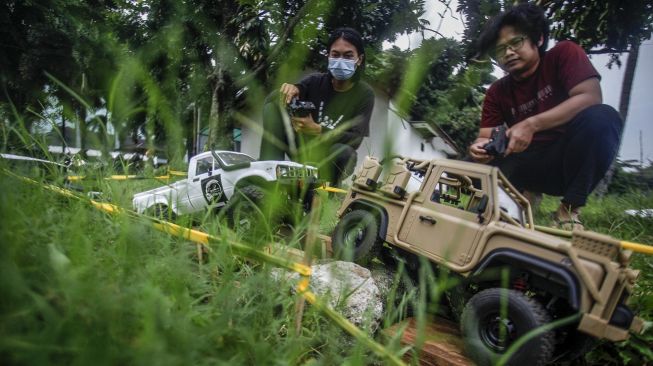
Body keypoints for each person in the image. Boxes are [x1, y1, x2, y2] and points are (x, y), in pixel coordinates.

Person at [468, 3, 622, 230]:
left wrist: (531, 124)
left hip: (566, 162)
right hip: (524, 163)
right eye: (500, 50)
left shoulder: (564, 54)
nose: (508, 53)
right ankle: (518, 200)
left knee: (604, 118)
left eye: (515, 42)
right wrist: (479, 148)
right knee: (465, 168)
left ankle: (568, 210)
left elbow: (590, 96)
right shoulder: (496, 91)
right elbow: (485, 137)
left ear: (538, 39)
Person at [259, 27, 375, 187]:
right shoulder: (315, 82)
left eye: (348, 56)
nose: (341, 60)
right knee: (272, 107)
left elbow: (355, 139)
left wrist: (318, 130)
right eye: (335, 54)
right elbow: (277, 98)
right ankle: (269, 175)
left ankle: (325, 192)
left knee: (344, 152)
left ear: (359, 59)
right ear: (328, 56)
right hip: (301, 151)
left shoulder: (365, 94)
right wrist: (290, 90)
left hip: (330, 160)